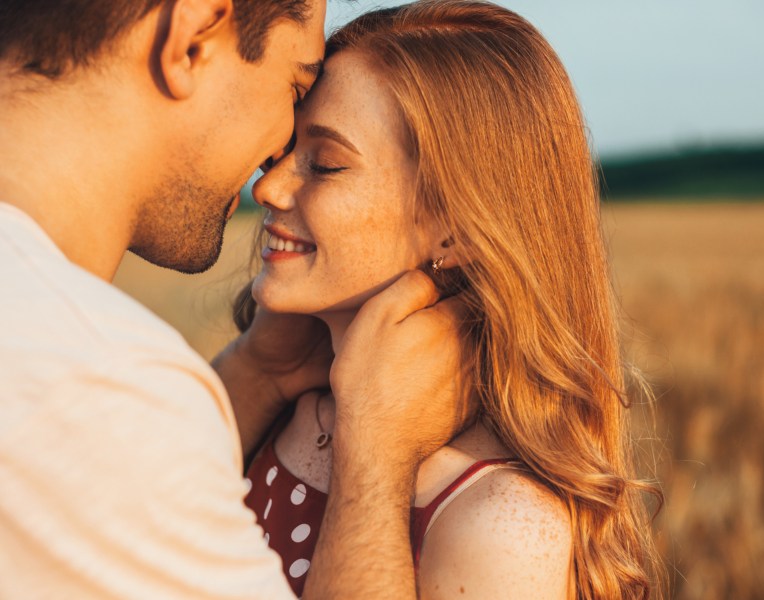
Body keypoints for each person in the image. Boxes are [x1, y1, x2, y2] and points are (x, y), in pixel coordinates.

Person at [0, 1, 468, 598]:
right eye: (295, 84)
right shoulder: (96, 388)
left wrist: (259, 371)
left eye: (322, 162)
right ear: (191, 40)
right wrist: (376, 456)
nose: (270, 175)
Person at [238, 1, 662, 598]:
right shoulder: (279, 405)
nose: (269, 186)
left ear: (458, 227)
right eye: (281, 153)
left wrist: (375, 456)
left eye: (326, 164)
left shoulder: (500, 522)